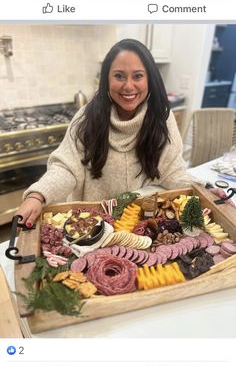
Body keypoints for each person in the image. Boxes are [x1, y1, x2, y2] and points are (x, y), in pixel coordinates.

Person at [17, 38, 195, 227]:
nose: (128, 86)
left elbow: (172, 171)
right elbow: (66, 168)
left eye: (138, 76)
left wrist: (202, 187)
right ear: (106, 79)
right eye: (119, 76)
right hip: (91, 225)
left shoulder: (162, 118)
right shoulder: (87, 118)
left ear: (150, 78)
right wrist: (37, 195)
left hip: (139, 225)